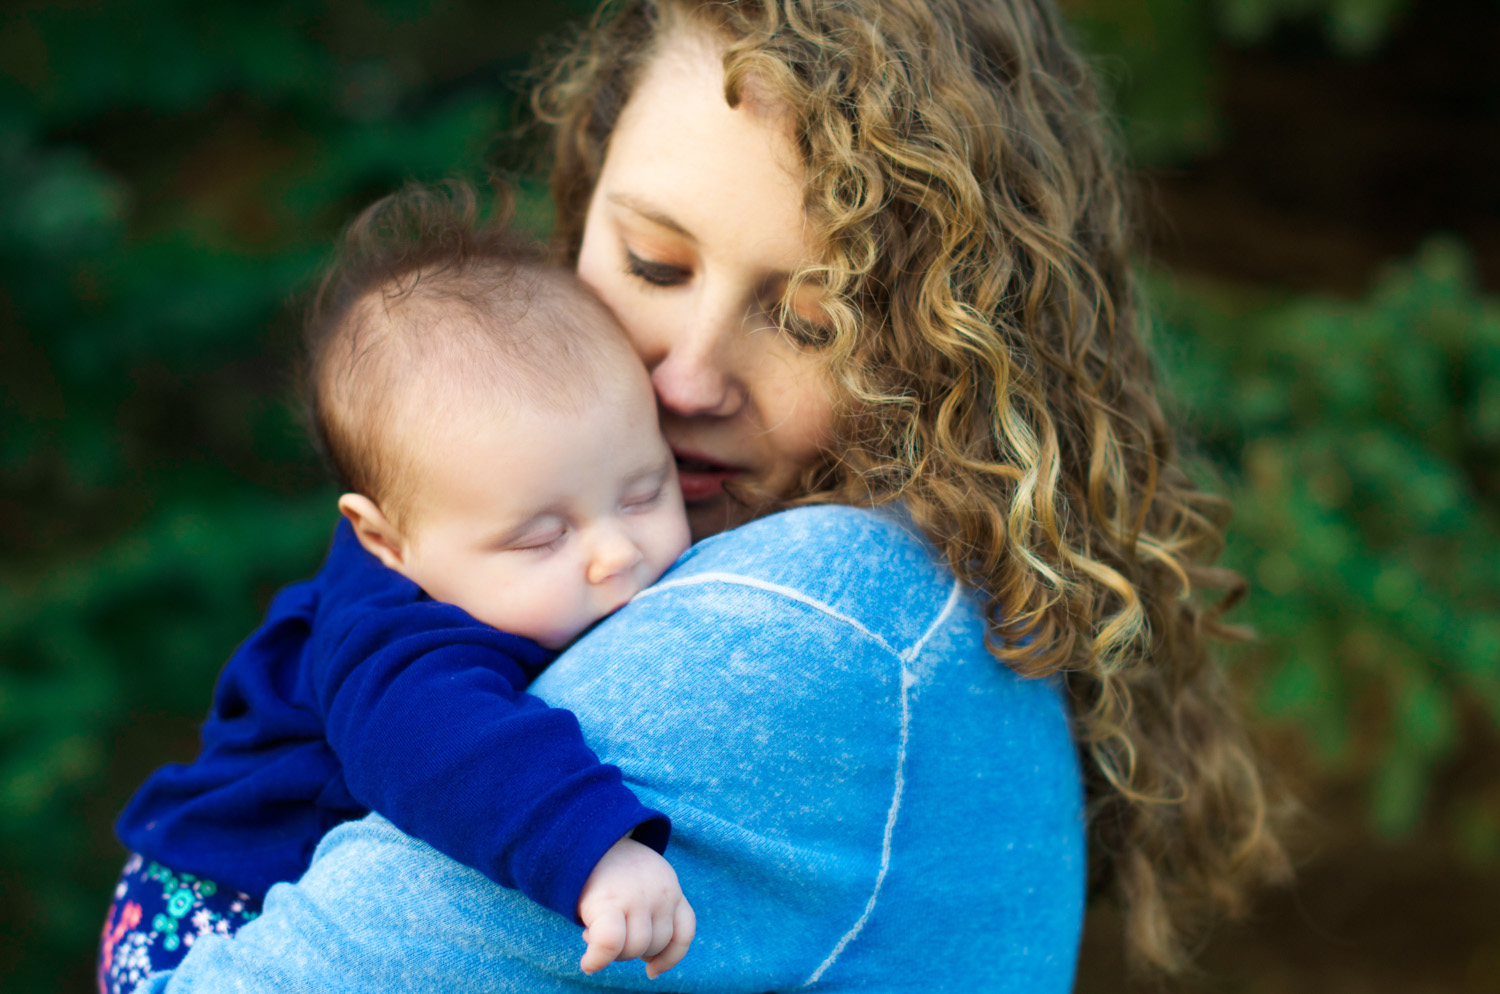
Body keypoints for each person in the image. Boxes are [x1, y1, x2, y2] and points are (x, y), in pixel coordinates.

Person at [145, 0, 1290, 990]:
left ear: (950, 348)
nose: (684, 379)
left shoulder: (806, 621)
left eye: (808, 319)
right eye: (651, 263)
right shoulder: (933, 604)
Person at [102, 186, 699, 994]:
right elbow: (431, 736)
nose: (614, 552)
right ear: (385, 539)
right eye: (540, 537)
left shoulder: (474, 547)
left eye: (643, 490)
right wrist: (591, 848)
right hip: (206, 919)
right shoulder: (389, 636)